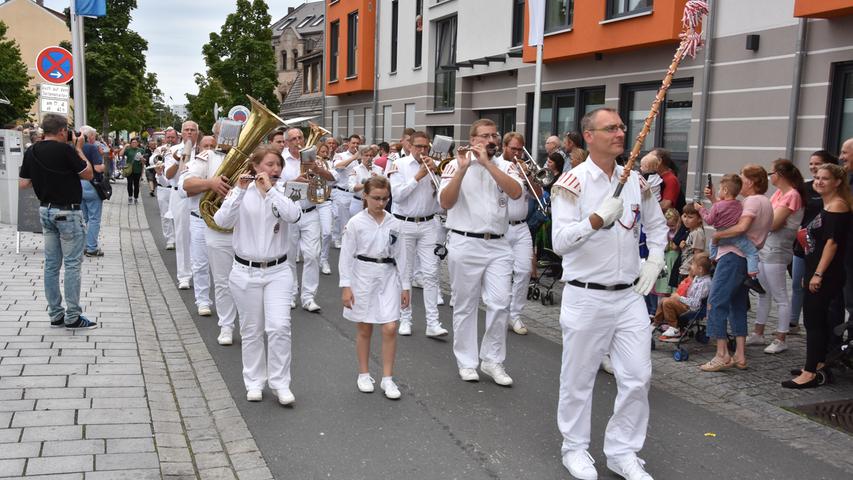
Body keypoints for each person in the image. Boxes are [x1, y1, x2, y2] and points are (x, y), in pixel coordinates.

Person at [551, 107, 667, 480]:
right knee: (578, 378)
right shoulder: (572, 182)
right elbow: (559, 242)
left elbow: (657, 226)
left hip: (629, 295)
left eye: (621, 127)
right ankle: (575, 448)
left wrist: (655, 260)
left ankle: (623, 451)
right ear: (589, 136)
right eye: (611, 128)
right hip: (586, 295)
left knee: (637, 376)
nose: (621, 133)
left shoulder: (636, 180)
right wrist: (596, 220)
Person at [214, 145, 301, 404]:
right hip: (245, 271)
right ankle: (254, 382)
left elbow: (293, 215)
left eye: (278, 166)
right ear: (255, 166)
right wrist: (239, 191)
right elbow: (222, 221)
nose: (275, 170)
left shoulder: (284, 191)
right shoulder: (240, 192)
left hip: (278, 271)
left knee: (280, 327)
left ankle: (280, 383)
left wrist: (271, 191)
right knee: (251, 330)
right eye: (270, 165)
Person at [438, 119, 523, 386]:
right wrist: (463, 170)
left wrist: (487, 163)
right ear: (473, 139)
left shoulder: (506, 165)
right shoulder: (455, 165)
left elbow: (516, 192)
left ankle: (492, 359)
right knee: (465, 304)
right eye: (484, 136)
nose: (490, 140)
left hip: (498, 243)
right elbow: (445, 202)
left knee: (500, 303)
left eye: (494, 135)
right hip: (465, 242)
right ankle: (466, 361)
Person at [18, 113, 97, 329]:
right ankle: (73, 316)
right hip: (68, 213)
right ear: (63, 131)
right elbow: (88, 174)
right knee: (72, 265)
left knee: (52, 265)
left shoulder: (32, 150)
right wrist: (78, 148)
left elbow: (23, 183)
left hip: (46, 211)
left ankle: (55, 314)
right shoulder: (66, 150)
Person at [339, 176, 411, 399]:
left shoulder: (395, 223)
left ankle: (388, 378)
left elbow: (402, 255)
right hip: (362, 275)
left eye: (385, 199)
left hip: (388, 275)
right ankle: (363, 373)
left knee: (390, 327)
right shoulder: (355, 223)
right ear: (366, 197)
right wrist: (346, 285)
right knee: (365, 327)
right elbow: (346, 256)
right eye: (376, 198)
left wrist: (405, 285)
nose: (381, 203)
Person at [784, 164, 852, 388]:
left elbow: (832, 244)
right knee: (816, 320)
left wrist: (818, 274)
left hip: (826, 274)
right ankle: (816, 363)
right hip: (817, 271)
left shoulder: (838, 206)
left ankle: (810, 372)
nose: (819, 181)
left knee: (813, 322)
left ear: (837, 182)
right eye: (817, 178)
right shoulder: (828, 204)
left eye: (825, 178)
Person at [700, 164, 773, 373]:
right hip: (742, 260)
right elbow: (727, 216)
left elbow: (740, 227)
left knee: (716, 303)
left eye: (742, 178)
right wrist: (715, 200)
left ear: (750, 181)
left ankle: (722, 354)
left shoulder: (751, 202)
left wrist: (717, 236)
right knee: (737, 305)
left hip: (732, 256)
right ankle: (740, 354)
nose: (740, 181)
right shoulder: (765, 201)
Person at [387, 131, 448, 338]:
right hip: (404, 223)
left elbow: (443, 200)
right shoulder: (398, 165)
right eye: (419, 146)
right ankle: (405, 318)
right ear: (410, 147)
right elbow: (397, 196)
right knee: (405, 273)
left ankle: (433, 322)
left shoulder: (435, 166)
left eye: (426, 147)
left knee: (431, 273)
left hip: (429, 224)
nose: (423, 151)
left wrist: (435, 181)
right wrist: (418, 177)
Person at [181, 126, 238, 344]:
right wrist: (211, 183)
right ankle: (204, 302)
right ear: (216, 136)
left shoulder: (246, 157)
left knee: (238, 276)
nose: (230, 137)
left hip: (234, 225)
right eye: (224, 133)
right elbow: (186, 185)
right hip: (202, 219)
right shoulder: (207, 157)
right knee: (202, 264)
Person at [746, 159, 804, 354]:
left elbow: (774, 223)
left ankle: (781, 337)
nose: (770, 176)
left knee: (780, 295)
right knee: (763, 292)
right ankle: (758, 332)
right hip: (766, 247)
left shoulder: (792, 195)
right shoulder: (780, 193)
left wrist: (758, 221)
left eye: (772, 173)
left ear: (780, 174)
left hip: (777, 249)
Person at [283, 127, 333, 312]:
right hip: (289, 214)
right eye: (293, 139)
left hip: (311, 211)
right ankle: (289, 294)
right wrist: (296, 181)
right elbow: (276, 187)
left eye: (301, 137)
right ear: (287, 142)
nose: (298, 141)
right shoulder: (280, 160)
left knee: (312, 255)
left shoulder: (314, 158)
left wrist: (319, 170)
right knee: (288, 257)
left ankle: (308, 297)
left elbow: (332, 180)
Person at [791, 151, 836, 333]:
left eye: (817, 163)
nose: (812, 167)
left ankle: (822, 327)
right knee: (796, 283)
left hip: (822, 245)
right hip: (802, 243)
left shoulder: (832, 193)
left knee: (815, 286)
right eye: (811, 164)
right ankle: (793, 322)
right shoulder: (804, 188)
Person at [695, 174, 764, 293]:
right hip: (736, 236)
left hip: (721, 236)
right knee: (752, 252)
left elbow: (709, 220)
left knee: (713, 243)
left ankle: (713, 260)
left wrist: (701, 209)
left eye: (720, 189)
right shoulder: (739, 204)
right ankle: (752, 276)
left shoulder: (717, 206)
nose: (719, 192)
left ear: (725, 190)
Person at [502, 132, 542, 336]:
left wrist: (530, 176)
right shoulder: (498, 165)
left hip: (521, 226)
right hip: (500, 227)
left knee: (524, 270)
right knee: (503, 273)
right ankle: (501, 311)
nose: (517, 153)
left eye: (520, 149)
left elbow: (538, 193)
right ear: (504, 147)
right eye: (513, 149)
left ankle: (515, 315)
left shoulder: (525, 168)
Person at [165, 121, 200, 290]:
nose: (189, 133)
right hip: (179, 194)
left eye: (193, 130)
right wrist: (177, 159)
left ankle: (198, 271)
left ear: (197, 133)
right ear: (181, 133)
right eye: (186, 130)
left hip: (199, 194)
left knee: (199, 235)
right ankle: (184, 275)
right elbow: (167, 175)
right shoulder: (172, 150)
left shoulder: (202, 150)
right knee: (182, 235)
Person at [653, 253, 712, 339]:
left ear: (700, 269)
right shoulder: (697, 278)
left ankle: (674, 328)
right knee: (664, 300)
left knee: (667, 302)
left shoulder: (704, 283)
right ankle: (656, 322)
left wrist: (679, 298)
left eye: (693, 265)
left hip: (692, 308)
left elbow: (695, 304)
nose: (691, 267)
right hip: (687, 303)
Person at [332, 135, 362, 248]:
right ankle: (339, 238)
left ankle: (353, 240)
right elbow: (337, 166)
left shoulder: (361, 156)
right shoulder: (340, 155)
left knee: (355, 218)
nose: (355, 145)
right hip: (342, 191)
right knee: (341, 218)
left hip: (356, 192)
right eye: (353, 143)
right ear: (348, 144)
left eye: (357, 143)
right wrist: (353, 158)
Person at [80, 125, 105, 257]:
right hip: (91, 184)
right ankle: (91, 248)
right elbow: (98, 168)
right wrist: (103, 162)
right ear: (90, 137)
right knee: (94, 218)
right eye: (94, 136)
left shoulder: (72, 148)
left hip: (77, 184)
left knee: (83, 218)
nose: (95, 139)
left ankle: (84, 245)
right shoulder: (91, 148)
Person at [315, 142, 338, 275]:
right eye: (321, 152)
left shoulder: (329, 165)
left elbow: (335, 179)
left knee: (327, 233)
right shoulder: (309, 163)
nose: (324, 154)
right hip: (311, 202)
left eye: (325, 152)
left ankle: (324, 259)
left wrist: (322, 170)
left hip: (325, 201)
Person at [154, 128, 178, 250]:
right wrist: (159, 173)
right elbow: (153, 161)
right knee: (165, 215)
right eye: (168, 137)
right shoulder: (159, 150)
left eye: (172, 137)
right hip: (163, 188)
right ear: (165, 138)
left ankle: (179, 238)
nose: (170, 140)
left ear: (177, 137)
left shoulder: (180, 149)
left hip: (176, 188)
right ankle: (170, 239)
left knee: (178, 214)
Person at [120, 138, 145, 204]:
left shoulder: (141, 150)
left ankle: (136, 198)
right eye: (132, 142)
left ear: (138, 143)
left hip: (138, 170)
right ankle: (130, 197)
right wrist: (125, 146)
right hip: (129, 170)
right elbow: (120, 154)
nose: (134, 143)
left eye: (135, 142)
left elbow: (144, 161)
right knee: (130, 183)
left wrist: (142, 159)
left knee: (136, 185)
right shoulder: (128, 150)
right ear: (130, 143)